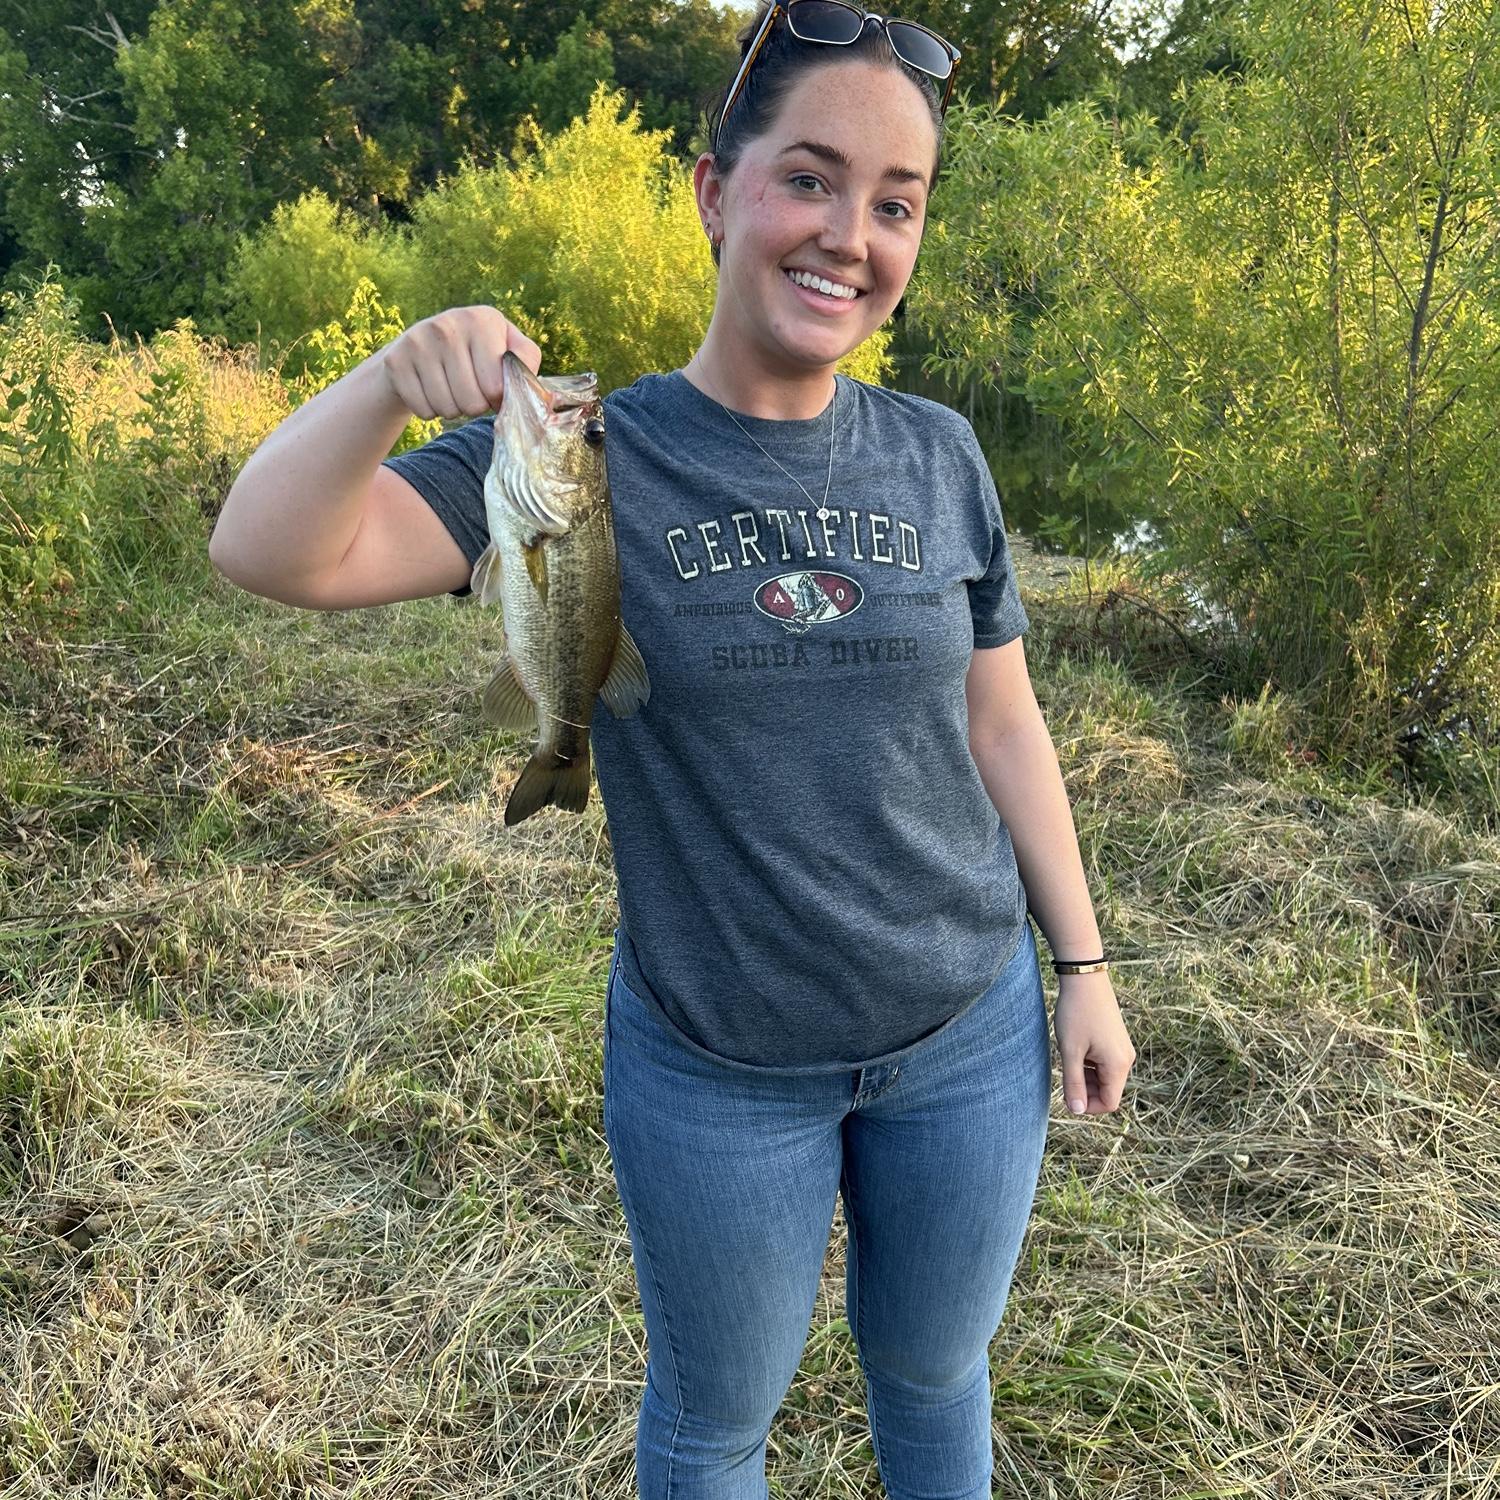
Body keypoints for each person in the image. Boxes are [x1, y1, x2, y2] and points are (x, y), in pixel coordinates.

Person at [209, 2, 1137, 1493]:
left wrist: (1083, 968)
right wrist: (389, 379)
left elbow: (1000, 718)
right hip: (718, 1071)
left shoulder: (939, 454)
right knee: (714, 1428)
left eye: (896, 204)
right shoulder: (579, 450)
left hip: (969, 1037)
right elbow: (270, 550)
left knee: (935, 1373)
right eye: (811, 178)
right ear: (716, 190)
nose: (851, 234)